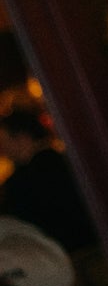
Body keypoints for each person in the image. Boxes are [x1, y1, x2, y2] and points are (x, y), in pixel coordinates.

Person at [0, 107, 95, 256]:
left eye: (4, 142)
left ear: (23, 138)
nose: (2, 150)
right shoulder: (67, 161)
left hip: (59, 256)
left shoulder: (21, 182)